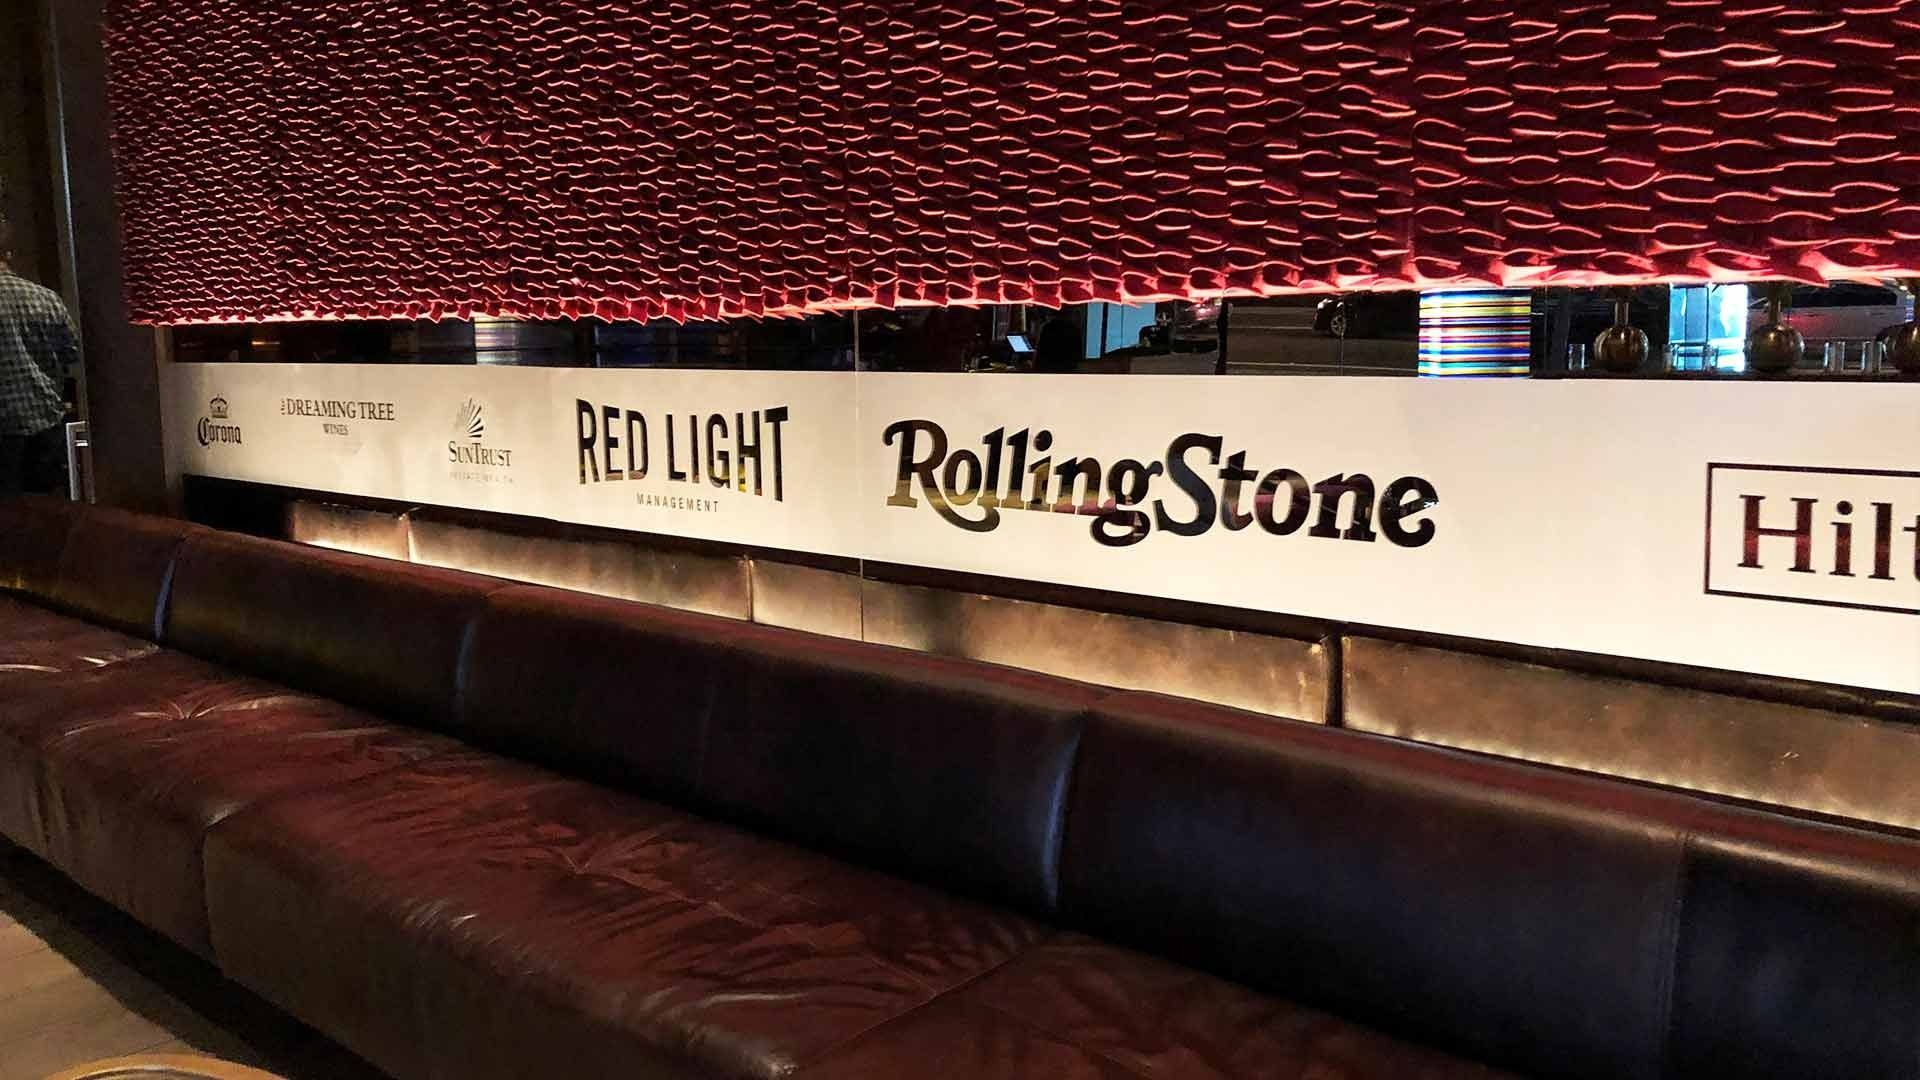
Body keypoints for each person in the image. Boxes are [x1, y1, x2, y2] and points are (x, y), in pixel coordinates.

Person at [0, 217, 77, 494]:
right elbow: (71, 354)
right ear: (8, 253)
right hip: (46, 422)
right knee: (45, 517)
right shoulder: (46, 298)